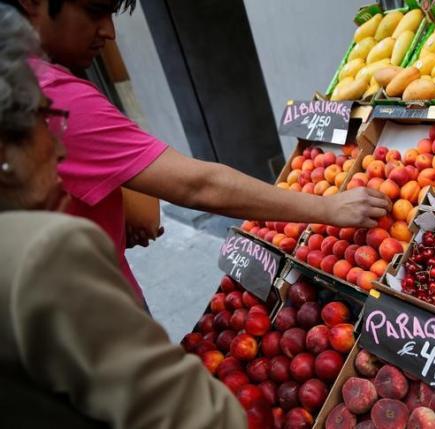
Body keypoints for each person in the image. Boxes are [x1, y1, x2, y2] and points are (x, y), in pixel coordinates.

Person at [1, 0, 391, 305]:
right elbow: (197, 186)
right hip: (87, 315)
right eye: (95, 11)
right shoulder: (54, 99)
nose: (110, 32)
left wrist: (115, 213)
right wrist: (328, 209)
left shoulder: (27, 84)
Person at [0, 6, 247, 428]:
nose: (60, 150)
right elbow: (198, 417)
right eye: (44, 121)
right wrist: (330, 209)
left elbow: (143, 210)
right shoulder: (42, 256)